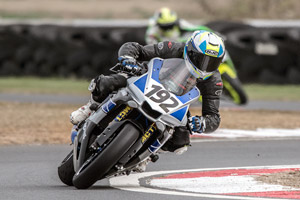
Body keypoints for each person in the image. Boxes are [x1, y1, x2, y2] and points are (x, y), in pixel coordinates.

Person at [70, 30, 225, 155]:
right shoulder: (173, 48)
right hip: (146, 80)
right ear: (190, 51)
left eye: (212, 62)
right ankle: (89, 108)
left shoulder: (213, 80)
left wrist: (201, 123)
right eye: (202, 59)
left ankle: (146, 156)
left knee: (180, 143)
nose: (205, 67)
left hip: (176, 102)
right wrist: (128, 59)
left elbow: (213, 117)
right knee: (109, 82)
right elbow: (137, 49)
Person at [145, 7, 211, 45]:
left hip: (179, 44)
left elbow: (194, 27)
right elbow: (151, 45)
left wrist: (210, 32)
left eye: (170, 25)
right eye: (164, 26)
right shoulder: (152, 30)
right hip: (162, 50)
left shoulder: (179, 22)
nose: (168, 29)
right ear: (157, 24)